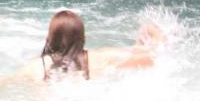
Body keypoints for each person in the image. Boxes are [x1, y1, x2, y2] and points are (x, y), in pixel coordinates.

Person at [14, 10, 163, 83]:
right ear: (82, 37)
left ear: (50, 37)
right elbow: (154, 58)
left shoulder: (37, 66)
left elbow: (3, 84)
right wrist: (150, 30)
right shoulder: (102, 58)